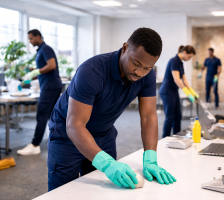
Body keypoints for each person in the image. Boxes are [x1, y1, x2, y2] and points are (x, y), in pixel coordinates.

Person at [47, 28, 176, 191]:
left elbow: (149, 116)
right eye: (136, 63)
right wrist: (107, 164)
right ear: (124, 48)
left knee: (102, 190)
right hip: (67, 134)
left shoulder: (146, 76)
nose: (139, 72)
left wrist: (150, 157)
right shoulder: (92, 71)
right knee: (63, 192)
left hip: (103, 133)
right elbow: (75, 125)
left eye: (147, 68)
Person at [17, 29, 62, 155]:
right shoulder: (40, 51)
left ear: (38, 37)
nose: (30, 41)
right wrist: (31, 74)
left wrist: (36, 71)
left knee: (42, 115)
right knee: (52, 116)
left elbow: (51, 65)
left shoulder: (45, 49)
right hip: (51, 85)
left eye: (31, 38)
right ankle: (59, 141)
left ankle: (35, 145)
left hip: (50, 86)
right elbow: (44, 70)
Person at [159, 45, 198, 138]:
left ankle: (177, 137)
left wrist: (192, 91)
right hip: (167, 92)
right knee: (170, 117)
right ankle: (165, 138)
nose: (189, 59)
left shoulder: (180, 63)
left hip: (174, 91)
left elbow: (184, 80)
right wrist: (187, 93)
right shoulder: (174, 61)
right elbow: (177, 80)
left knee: (178, 117)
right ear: (184, 52)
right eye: (189, 57)